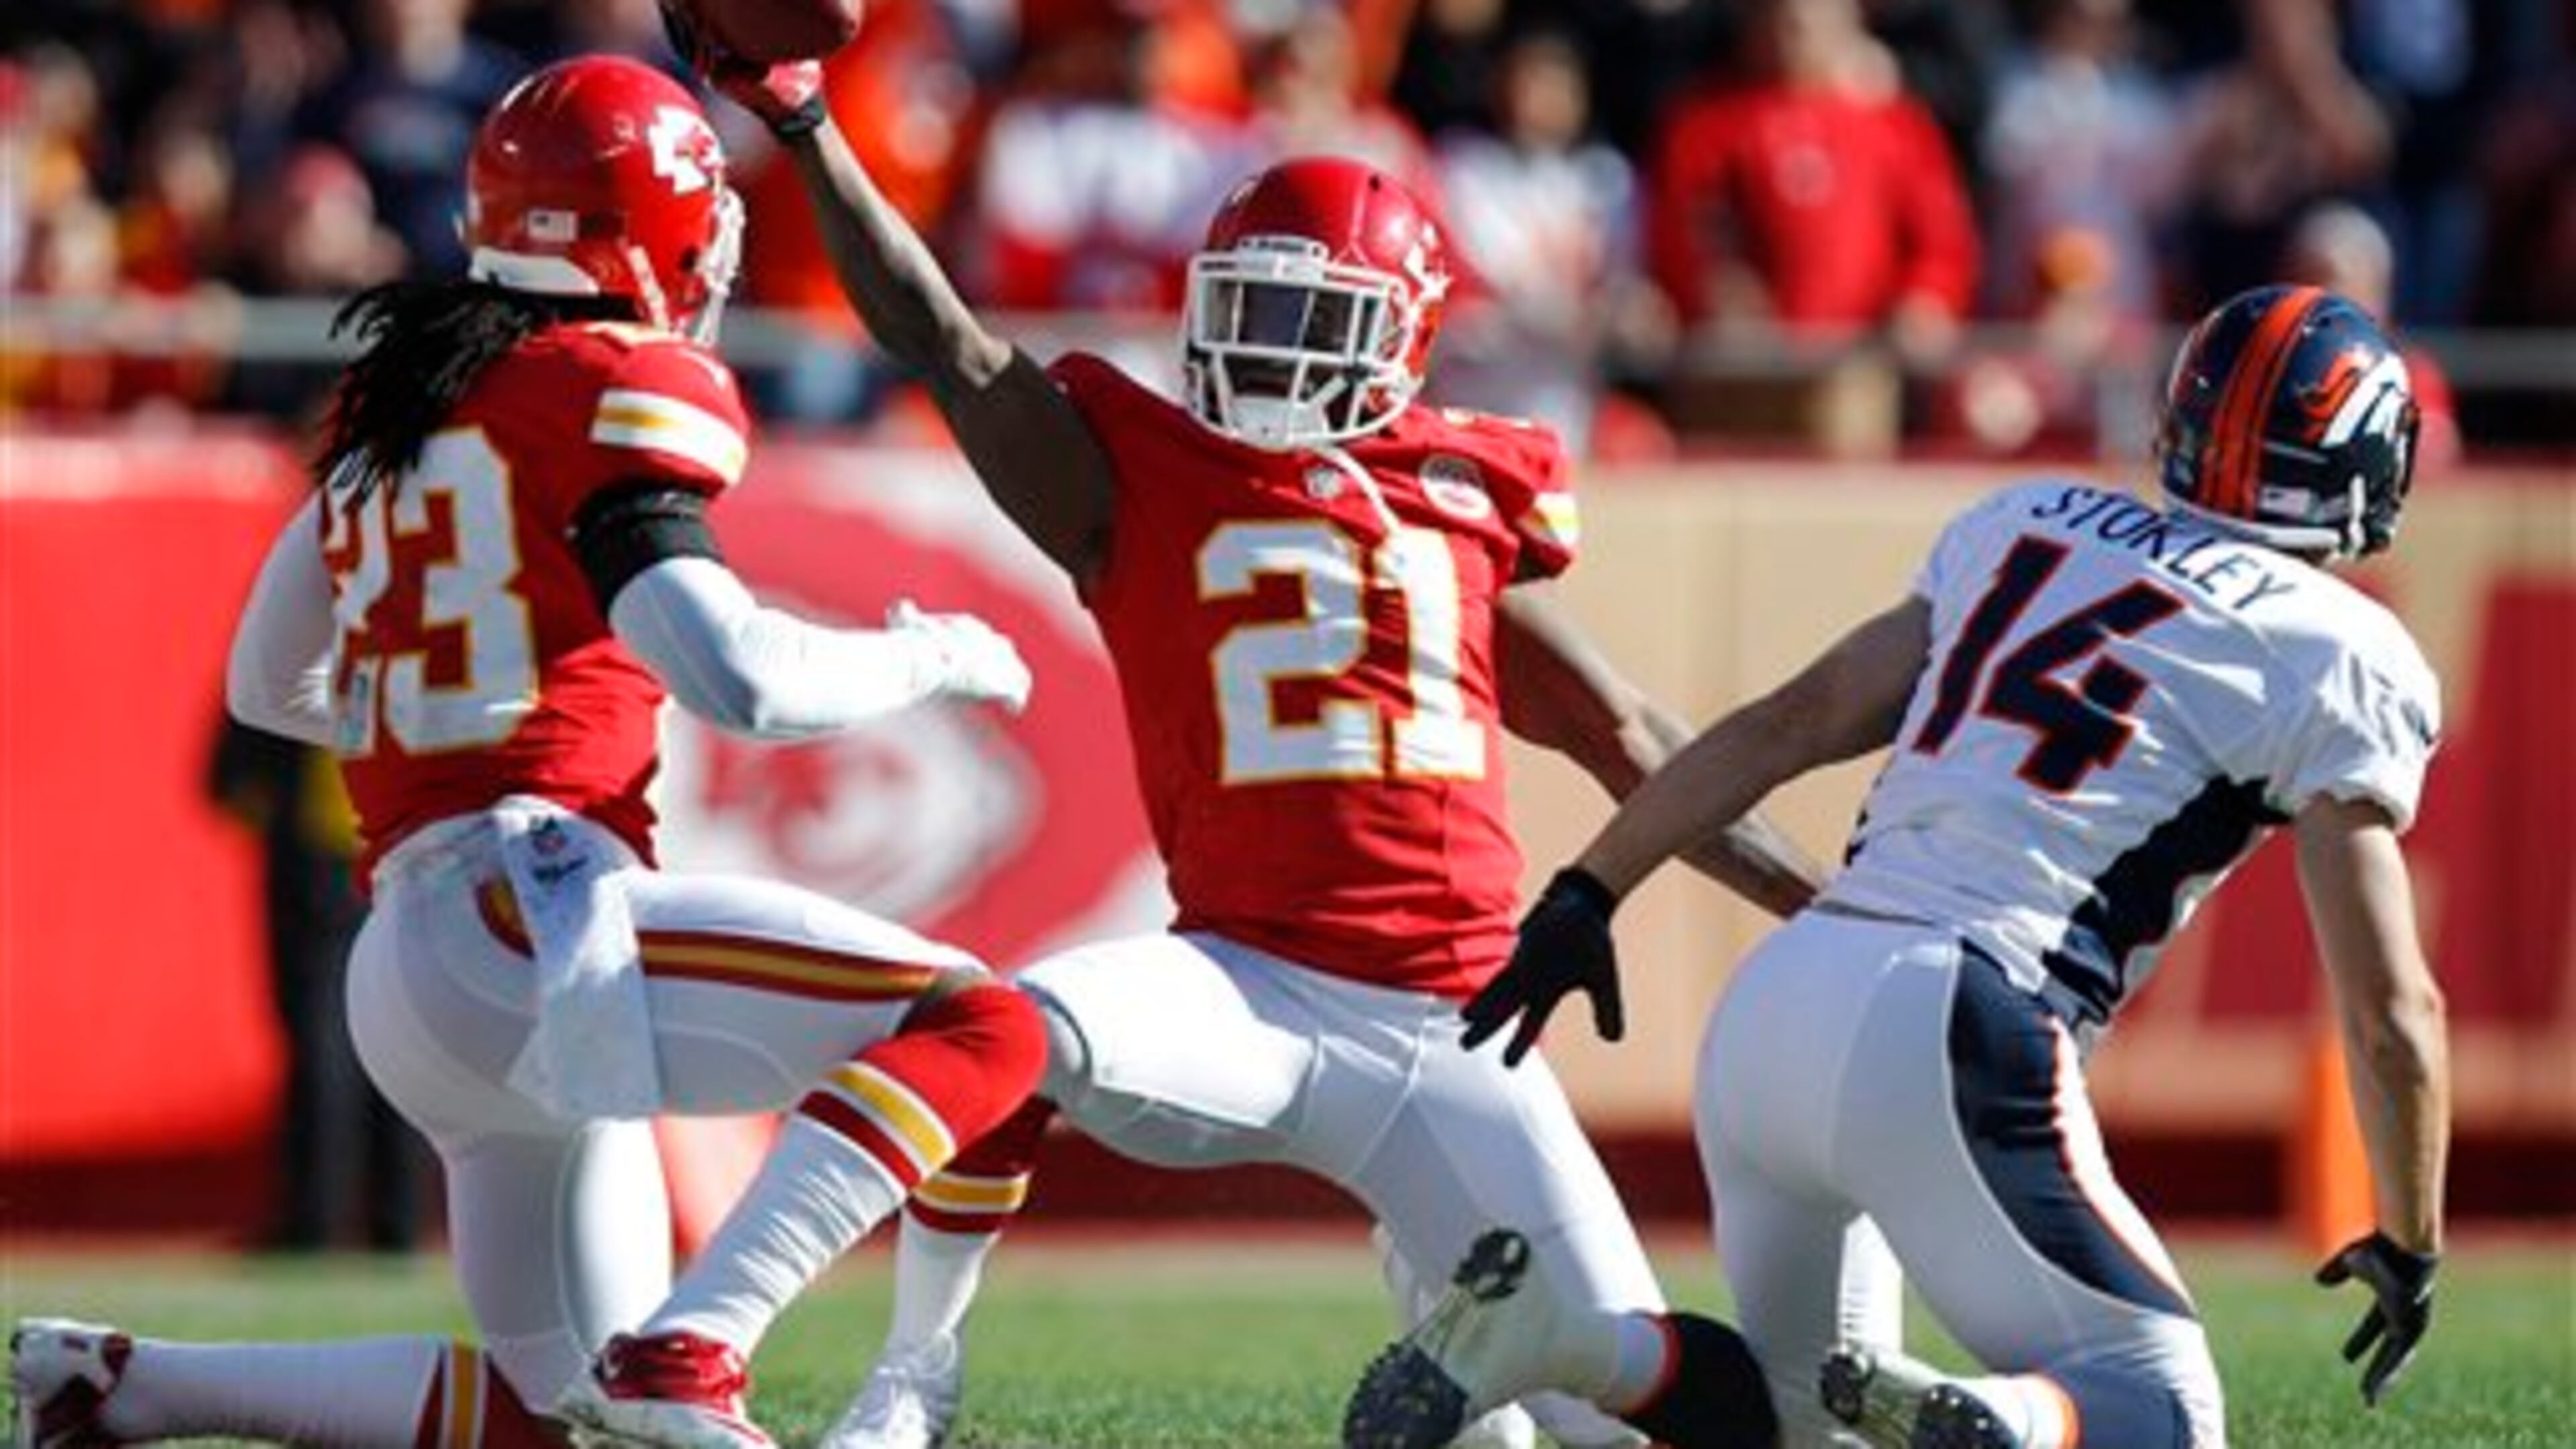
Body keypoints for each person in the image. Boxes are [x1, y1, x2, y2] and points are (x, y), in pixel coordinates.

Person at [665, 19, 1825, 1449]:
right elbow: (938, 336)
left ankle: (1533, 1357)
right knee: (997, 1028)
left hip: (1462, 1031)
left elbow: (1638, 742)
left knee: (1628, 1421)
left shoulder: (1462, 492)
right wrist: (801, 123)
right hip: (1243, 987)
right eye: (1250, 308)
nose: (1268, 350)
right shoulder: (1136, 469)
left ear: (1402, 337)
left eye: (1313, 319)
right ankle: (886, 1369)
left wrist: (1827, 910)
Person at [9, 56, 1046, 1449]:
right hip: (540, 913)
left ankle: (126, 1388)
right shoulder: (607, 378)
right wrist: (933, 655)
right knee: (985, 1027)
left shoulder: (401, 399)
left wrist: (450, 715)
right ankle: (703, 1346)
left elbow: (272, 682)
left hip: (413, 969)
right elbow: (733, 673)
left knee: (558, 1415)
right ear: (653, 227)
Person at [1352, 284, 2451, 1449]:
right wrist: (2412, 1234)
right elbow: (2391, 1011)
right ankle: (1994, 1421)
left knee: (1788, 1413)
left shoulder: (2033, 522)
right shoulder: (2344, 650)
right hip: (1965, 1019)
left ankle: (1570, 1347)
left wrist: (1590, 890)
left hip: (1785, 1001)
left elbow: (1788, 722)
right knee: (2159, 1413)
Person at [207, 714, 426, 1254]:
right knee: (403, 1036)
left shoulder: (306, 635)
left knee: (319, 1044)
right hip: (407, 849)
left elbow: (231, 782)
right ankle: (398, 1221)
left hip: (317, 854)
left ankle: (315, 1219)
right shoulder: (410, 633)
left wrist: (269, 808)